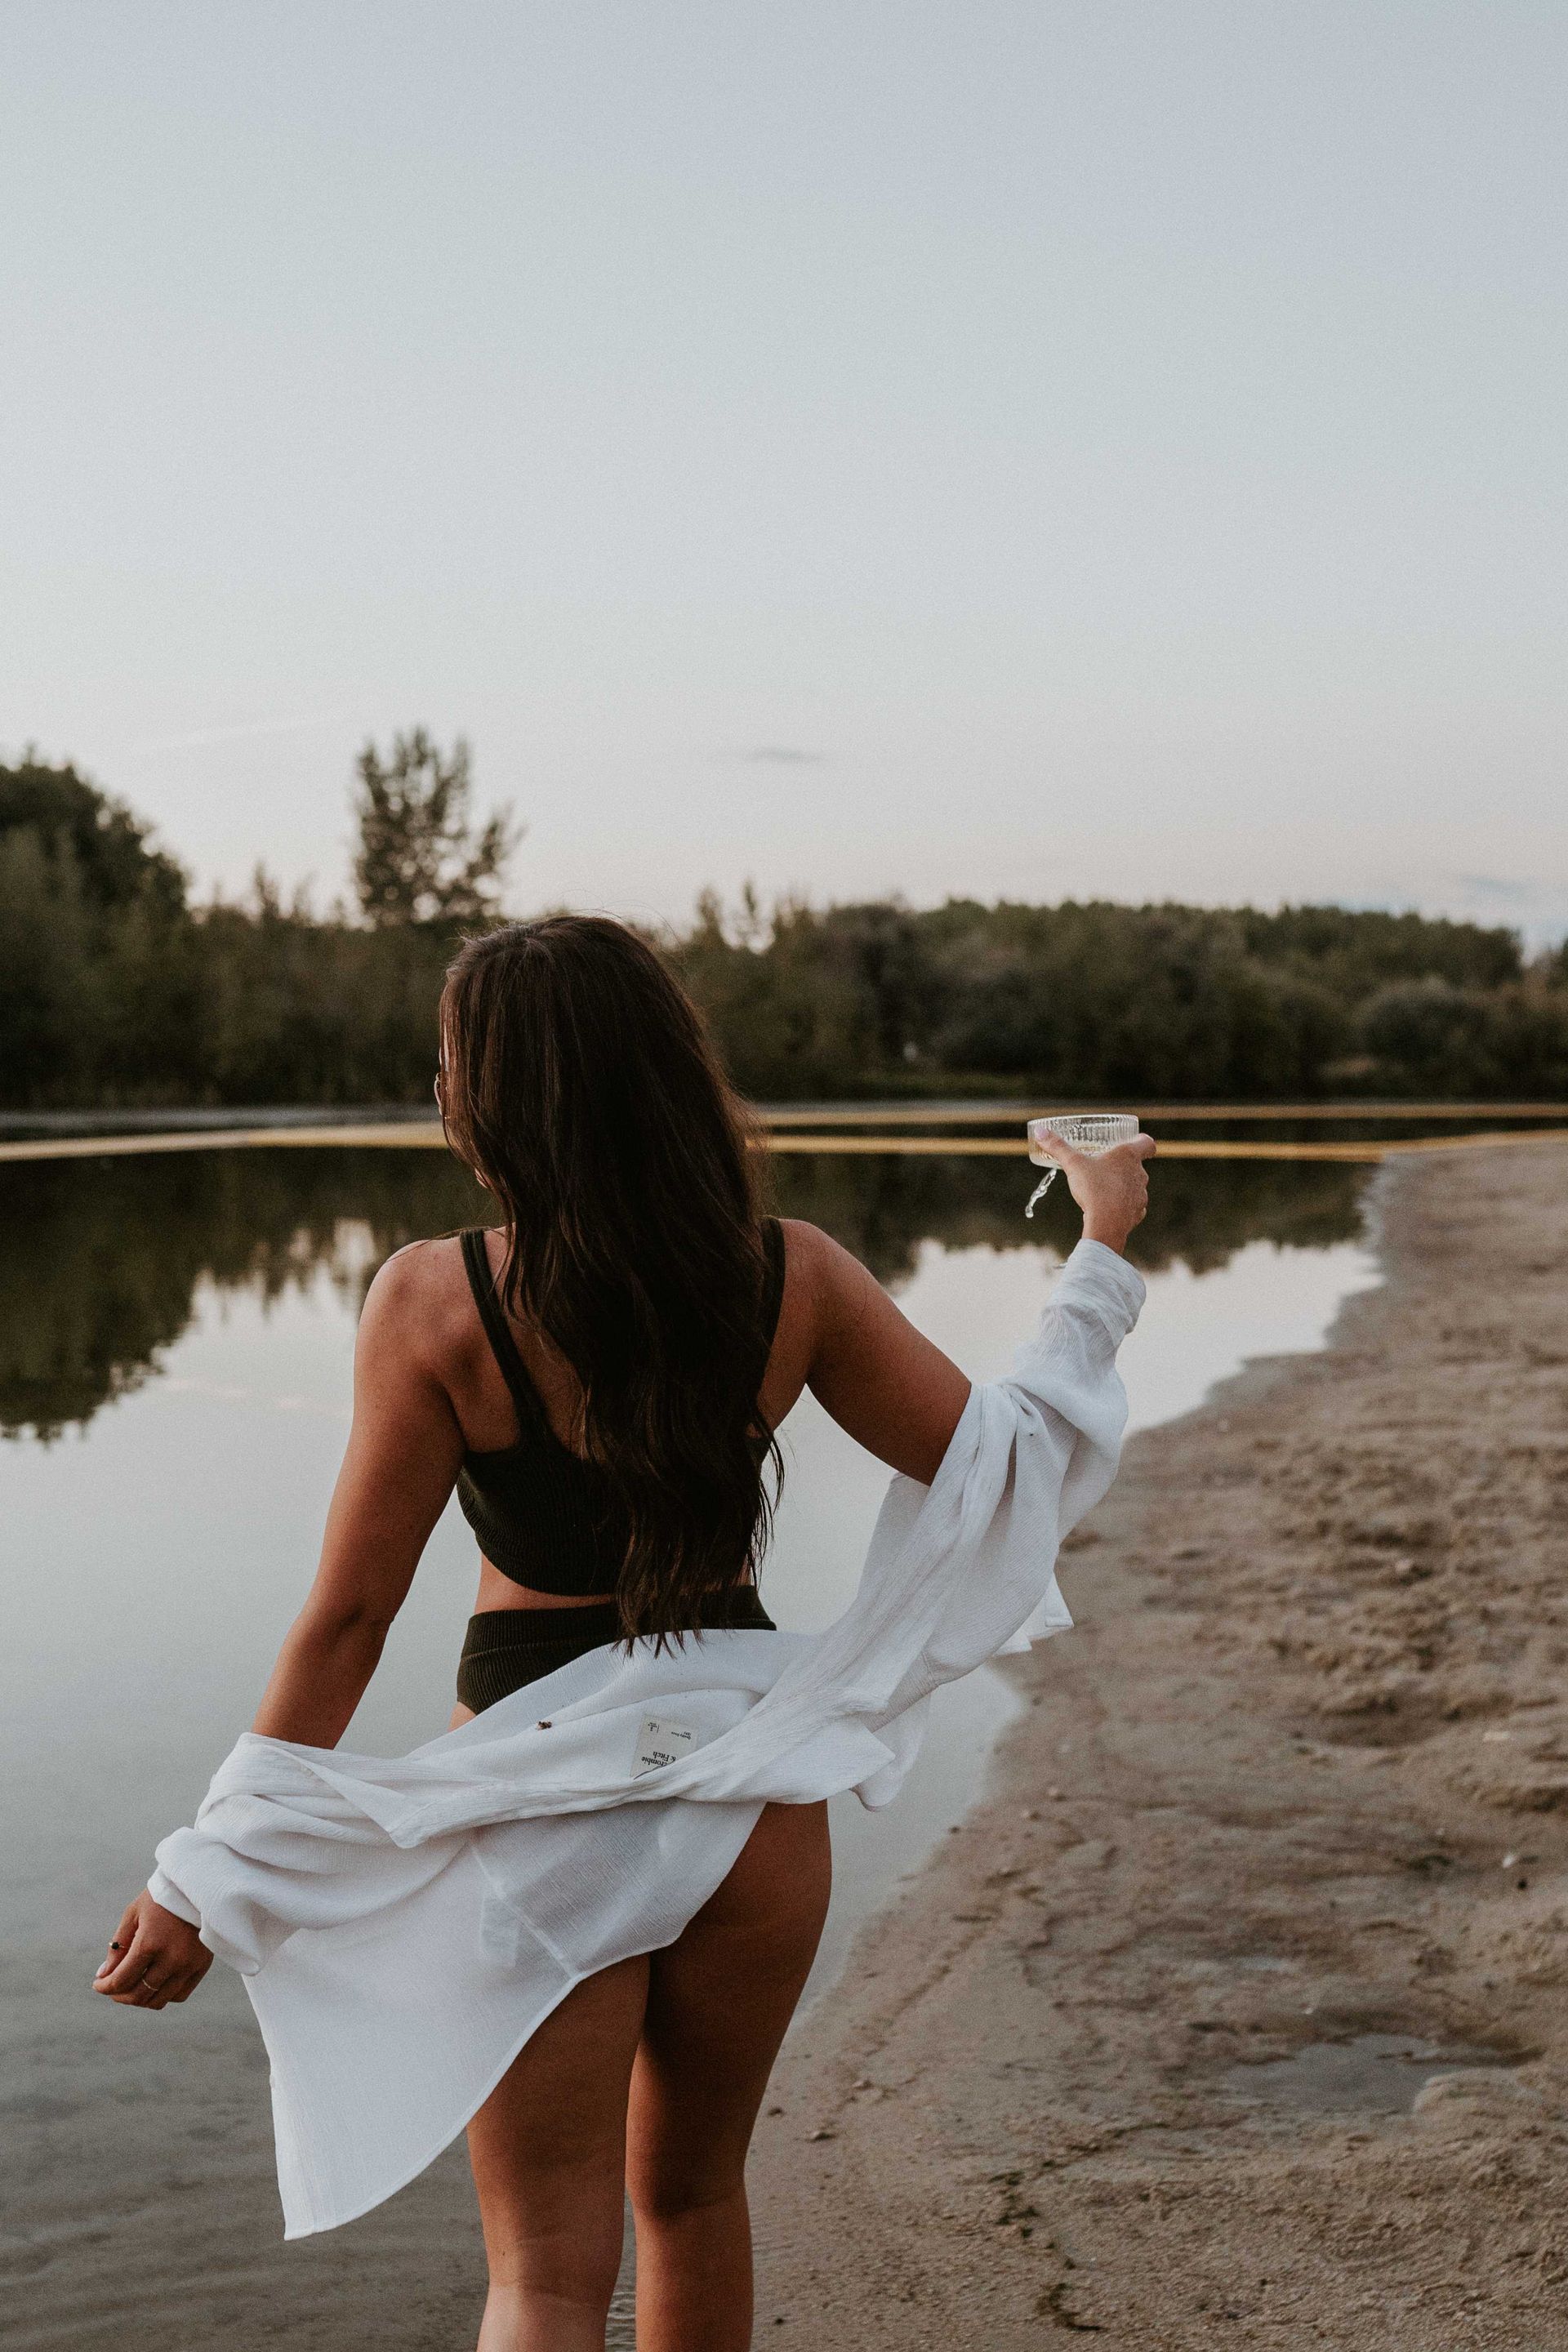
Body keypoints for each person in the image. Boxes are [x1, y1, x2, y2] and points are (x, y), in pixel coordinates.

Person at [94, 915, 1153, 2352]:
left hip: (538, 1812)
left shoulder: (434, 1299)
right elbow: (999, 1469)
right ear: (667, 1077)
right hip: (752, 1793)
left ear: (495, 1100)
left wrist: (207, 1871)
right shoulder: (793, 1275)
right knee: (697, 2205)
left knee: (543, 2272)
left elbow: (350, 1617)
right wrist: (1101, 1243)